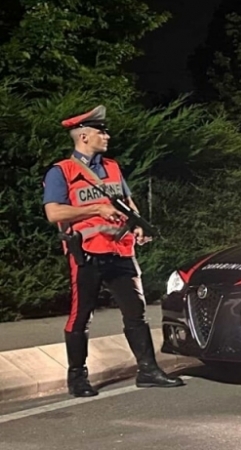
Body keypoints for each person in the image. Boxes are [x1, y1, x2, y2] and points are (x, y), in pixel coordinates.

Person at [42, 105, 184, 397]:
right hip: (86, 255)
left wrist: (138, 226)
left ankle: (148, 370)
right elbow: (54, 213)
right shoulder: (62, 172)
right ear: (83, 136)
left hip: (120, 251)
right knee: (80, 316)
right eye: (100, 131)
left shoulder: (113, 167)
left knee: (136, 313)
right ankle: (77, 378)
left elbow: (128, 204)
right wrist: (95, 208)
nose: (106, 135)